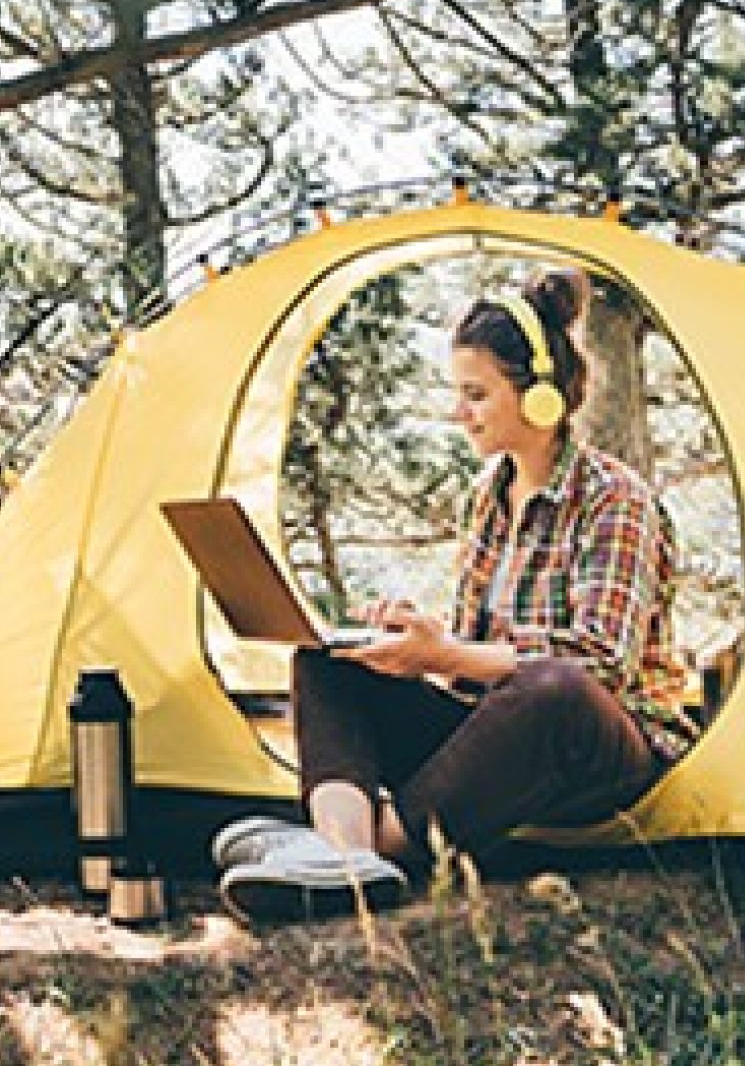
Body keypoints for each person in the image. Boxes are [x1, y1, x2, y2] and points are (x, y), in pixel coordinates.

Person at [214, 269, 702, 921]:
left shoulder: (614, 500)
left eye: (476, 394)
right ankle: (341, 855)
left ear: (540, 399)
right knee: (324, 659)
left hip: (601, 750)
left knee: (554, 687)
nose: (458, 412)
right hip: (503, 736)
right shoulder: (488, 498)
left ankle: (378, 843)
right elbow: (476, 653)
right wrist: (411, 645)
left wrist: (444, 656)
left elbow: (601, 666)